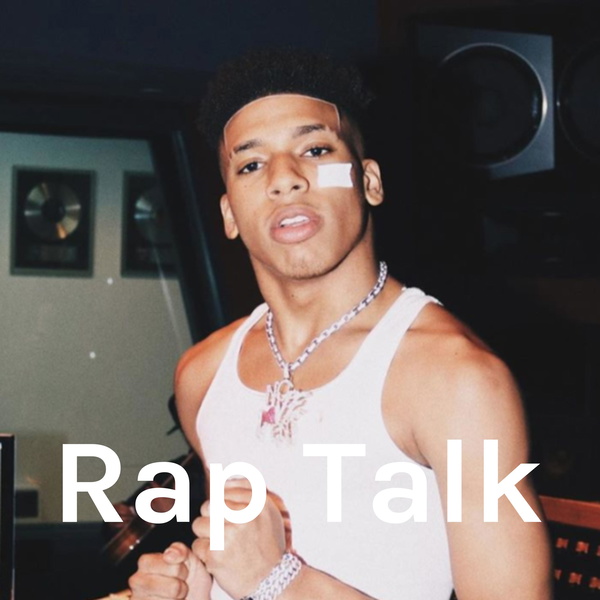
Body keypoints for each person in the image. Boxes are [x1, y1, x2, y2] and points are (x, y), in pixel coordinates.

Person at [129, 48, 552, 600]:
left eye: (315, 150)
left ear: (369, 181)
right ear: (229, 213)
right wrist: (197, 590)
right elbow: (245, 568)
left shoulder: (456, 380)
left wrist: (280, 579)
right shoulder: (202, 376)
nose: (284, 179)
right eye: (251, 165)